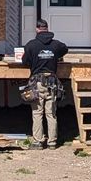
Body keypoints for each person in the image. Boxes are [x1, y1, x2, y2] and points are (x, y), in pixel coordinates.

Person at [21, 18, 70, 148]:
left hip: (37, 83)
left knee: (37, 113)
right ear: (47, 28)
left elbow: (24, 62)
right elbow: (65, 49)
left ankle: (38, 141)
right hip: (52, 83)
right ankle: (52, 142)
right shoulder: (56, 45)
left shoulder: (31, 45)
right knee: (51, 114)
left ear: (37, 29)